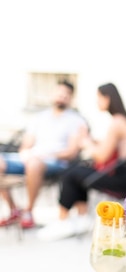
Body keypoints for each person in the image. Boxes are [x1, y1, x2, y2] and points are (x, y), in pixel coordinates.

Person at [37, 83, 126, 241]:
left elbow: (101, 156)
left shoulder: (117, 122)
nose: (96, 103)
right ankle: (80, 219)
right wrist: (90, 140)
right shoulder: (123, 119)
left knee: (72, 173)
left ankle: (63, 220)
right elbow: (107, 147)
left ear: (107, 99)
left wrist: (85, 142)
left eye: (98, 98)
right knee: (77, 171)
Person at [0, 80, 86, 229]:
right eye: (60, 93)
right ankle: (14, 209)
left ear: (71, 98)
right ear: (53, 94)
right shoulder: (39, 117)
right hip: (31, 157)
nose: (62, 97)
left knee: (34, 164)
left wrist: (44, 156)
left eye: (66, 94)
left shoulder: (75, 120)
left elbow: (71, 152)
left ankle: (28, 211)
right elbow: (26, 144)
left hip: (55, 161)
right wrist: (25, 153)